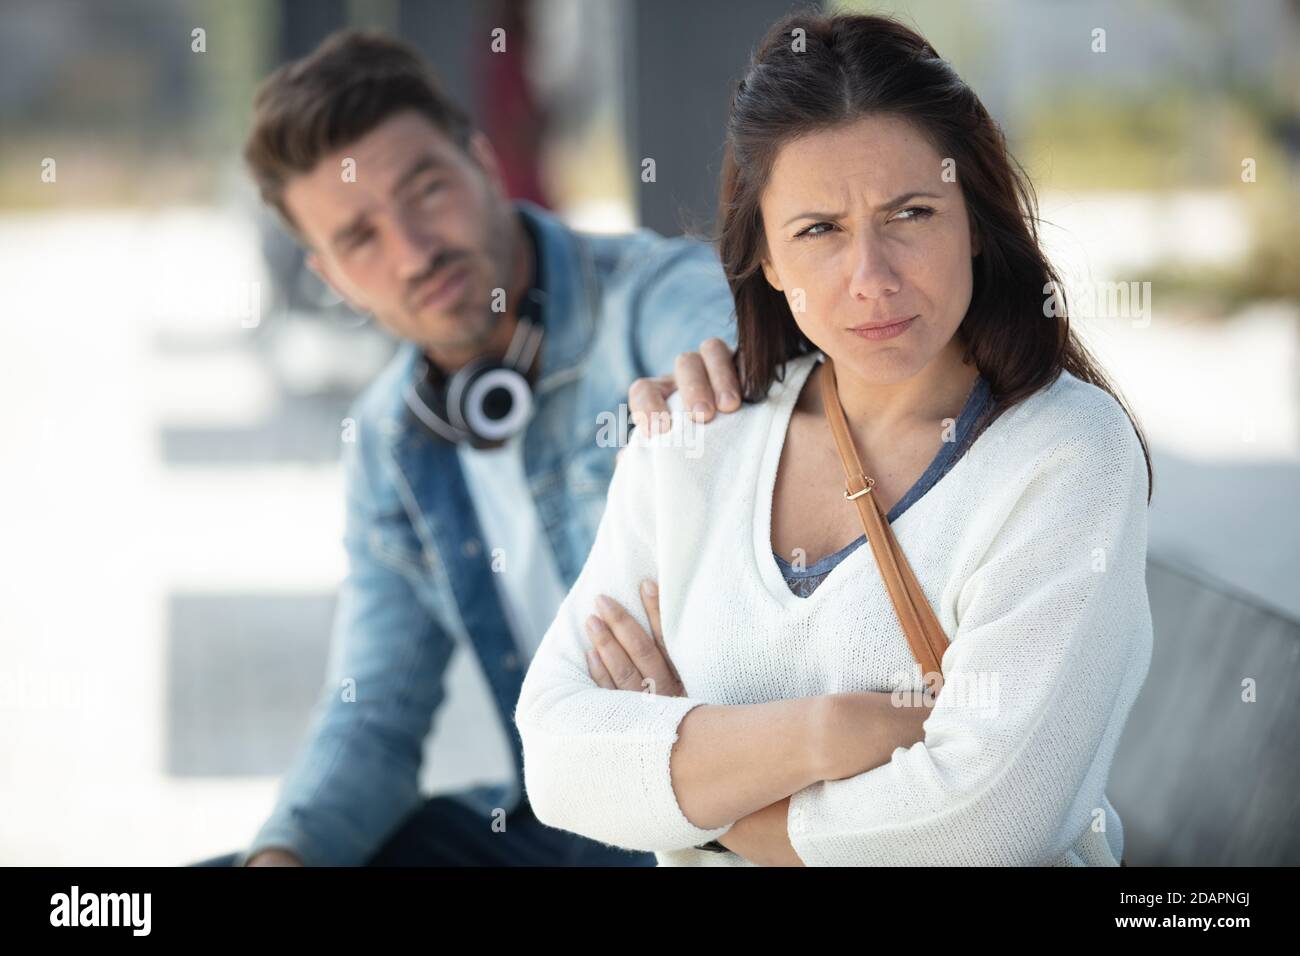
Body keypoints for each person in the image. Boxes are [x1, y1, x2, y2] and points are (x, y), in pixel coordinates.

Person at [514, 11, 1155, 866]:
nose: (872, 279)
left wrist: (694, 778)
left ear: (975, 219)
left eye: (912, 213)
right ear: (768, 262)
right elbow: (559, 758)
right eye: (819, 230)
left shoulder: (1064, 454)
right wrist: (827, 732)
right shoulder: (697, 435)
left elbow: (982, 827)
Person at [193, 29, 746, 867]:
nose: (414, 251)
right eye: (360, 238)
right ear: (332, 275)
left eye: (425, 191)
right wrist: (287, 853)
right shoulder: (389, 441)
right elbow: (373, 714)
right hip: (558, 831)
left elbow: (730, 334)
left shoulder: (648, 300)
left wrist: (729, 377)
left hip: (718, 816)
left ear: (484, 164)